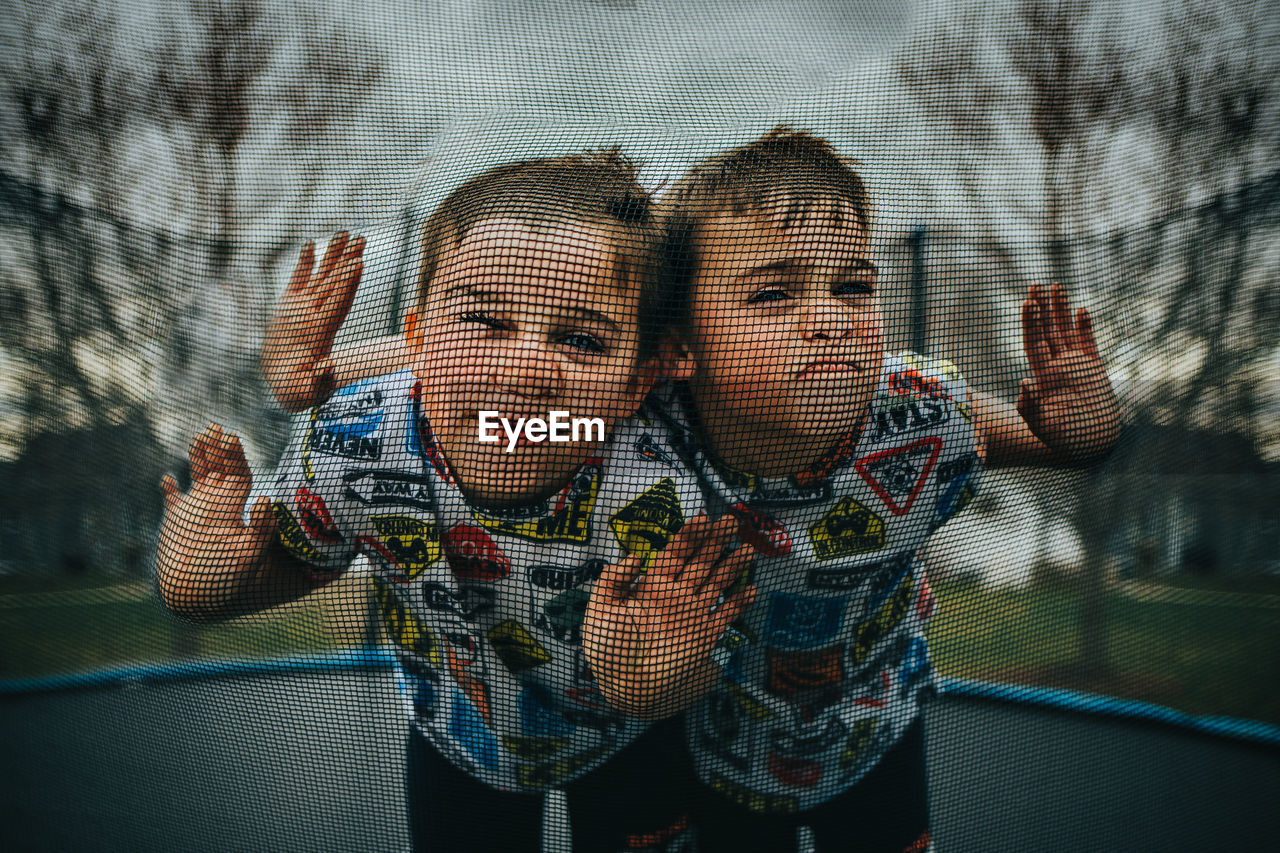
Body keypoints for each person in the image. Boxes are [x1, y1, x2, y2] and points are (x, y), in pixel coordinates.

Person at [261, 129, 1120, 852]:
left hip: (873, 720)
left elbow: (1046, 441)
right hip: (716, 744)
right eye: (775, 293)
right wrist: (324, 377)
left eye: (853, 285)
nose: (828, 317)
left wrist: (1077, 433)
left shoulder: (915, 413)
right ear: (678, 352)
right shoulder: (635, 419)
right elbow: (470, 374)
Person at [156, 151, 756, 853]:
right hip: (460, 732)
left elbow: (695, 653)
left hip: (629, 743)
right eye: (484, 321)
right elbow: (304, 563)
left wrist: (656, 680)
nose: (526, 367)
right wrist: (208, 581)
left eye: (581, 339)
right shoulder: (359, 443)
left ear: (635, 383)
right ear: (417, 341)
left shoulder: (655, 488)